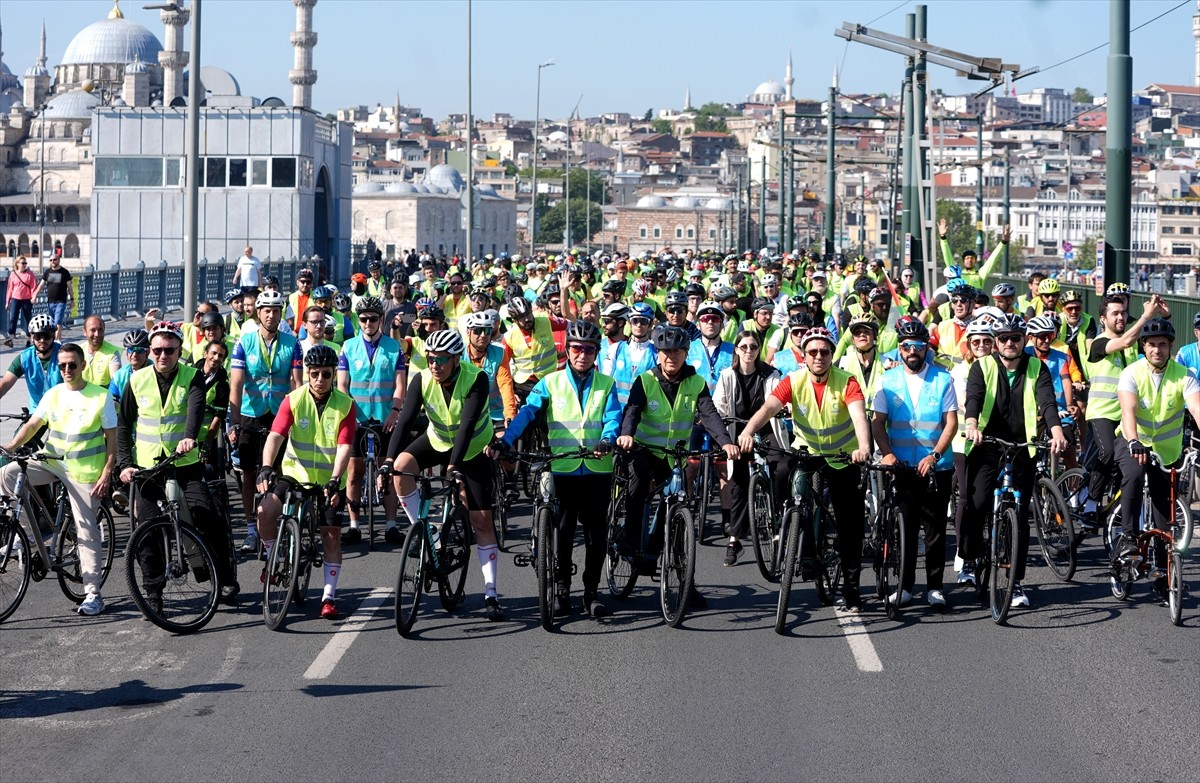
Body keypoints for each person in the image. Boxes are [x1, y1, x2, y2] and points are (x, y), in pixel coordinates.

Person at [737, 327, 872, 612]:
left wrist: (863, 447)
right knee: (790, 484)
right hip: (808, 454)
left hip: (843, 457)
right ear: (805, 356)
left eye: (824, 352)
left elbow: (859, 416)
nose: (819, 356)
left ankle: (851, 588)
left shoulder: (846, 381)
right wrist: (748, 431)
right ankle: (792, 531)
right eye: (813, 352)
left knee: (850, 526)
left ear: (832, 355)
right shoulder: (794, 380)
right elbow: (768, 408)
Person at [493, 320, 621, 617]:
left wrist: (607, 438)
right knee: (562, 532)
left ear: (596, 353)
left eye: (589, 350)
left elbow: (613, 418)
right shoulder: (550, 382)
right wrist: (507, 440)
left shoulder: (606, 384)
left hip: (596, 467)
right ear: (569, 350)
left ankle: (591, 592)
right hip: (562, 467)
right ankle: (562, 590)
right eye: (577, 348)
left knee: (596, 535)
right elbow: (527, 413)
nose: (582, 355)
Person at [383, 329, 506, 621]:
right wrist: (387, 460)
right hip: (438, 440)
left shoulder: (476, 378)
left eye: (441, 360)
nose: (434, 365)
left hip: (472, 447)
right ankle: (425, 533)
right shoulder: (422, 378)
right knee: (401, 468)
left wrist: (453, 467)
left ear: (456, 359)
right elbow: (406, 420)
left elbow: (466, 426)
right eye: (430, 359)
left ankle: (491, 592)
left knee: (481, 520)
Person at [615, 326, 739, 607]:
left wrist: (726, 442)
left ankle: (685, 583)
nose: (671, 356)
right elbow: (632, 411)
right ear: (657, 355)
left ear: (685, 353)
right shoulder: (645, 380)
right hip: (643, 450)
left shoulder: (695, 382)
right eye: (666, 351)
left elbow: (709, 414)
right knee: (639, 479)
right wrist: (627, 434)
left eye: (677, 351)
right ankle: (630, 543)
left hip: (674, 456)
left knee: (680, 506)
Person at [118, 323, 238, 606]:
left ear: (179, 350)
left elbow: (195, 409)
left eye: (169, 350)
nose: (162, 355)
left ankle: (225, 577)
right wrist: (125, 464)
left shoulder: (193, 376)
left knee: (207, 515)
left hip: (184, 462)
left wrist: (189, 437)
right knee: (145, 530)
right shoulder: (136, 380)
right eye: (157, 350)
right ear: (150, 351)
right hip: (148, 467)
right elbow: (123, 425)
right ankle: (154, 591)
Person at [0, 343, 116, 616]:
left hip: (84, 472)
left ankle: (93, 594)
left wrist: (107, 472)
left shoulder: (100, 397)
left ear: (82, 365)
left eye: (72, 365)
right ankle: (29, 533)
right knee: (7, 473)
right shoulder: (54, 394)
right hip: (52, 462)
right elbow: (33, 425)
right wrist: (11, 446)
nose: (66, 370)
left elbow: (113, 441)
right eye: (62, 365)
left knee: (87, 532)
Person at [962, 314, 1067, 608]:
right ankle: (971, 558)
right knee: (978, 502)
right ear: (996, 342)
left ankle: (1016, 582)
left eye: (1016, 338)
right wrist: (972, 425)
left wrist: (1056, 431)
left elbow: (1047, 401)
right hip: (987, 444)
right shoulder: (981, 366)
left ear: (1024, 340)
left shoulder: (1037, 367)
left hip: (1023, 447)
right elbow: (974, 398)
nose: (1010, 343)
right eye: (1004, 338)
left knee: (1020, 515)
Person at [256, 344, 355, 620]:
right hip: (294, 473)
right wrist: (266, 466)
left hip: (328, 479)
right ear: (307, 373)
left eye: (325, 374)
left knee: (331, 537)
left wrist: (336, 480)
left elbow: (345, 447)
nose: (319, 380)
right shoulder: (294, 399)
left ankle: (328, 596)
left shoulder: (345, 405)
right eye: (314, 374)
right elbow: (276, 436)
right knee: (264, 512)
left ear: (334, 374)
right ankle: (272, 556)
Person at [871, 318, 957, 608]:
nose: (912, 351)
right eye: (907, 346)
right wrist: (887, 453)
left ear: (926, 349)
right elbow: (877, 423)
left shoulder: (943, 378)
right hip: (902, 467)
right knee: (904, 529)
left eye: (918, 346)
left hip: (936, 466)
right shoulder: (888, 381)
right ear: (899, 348)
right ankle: (906, 587)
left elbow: (951, 423)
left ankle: (934, 587)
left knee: (934, 530)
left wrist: (934, 455)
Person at [1113, 318, 1200, 588]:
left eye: (1162, 345)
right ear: (1144, 346)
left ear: (1170, 346)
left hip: (1168, 449)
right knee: (1135, 476)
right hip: (1132, 441)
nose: (1157, 350)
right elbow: (1128, 411)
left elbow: (1197, 409)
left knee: (1165, 507)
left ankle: (1164, 571)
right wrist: (1133, 440)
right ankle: (1128, 538)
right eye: (1151, 345)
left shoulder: (1184, 375)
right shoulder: (1132, 372)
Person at [228, 290, 303, 553]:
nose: (271, 315)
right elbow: (236, 384)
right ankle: (251, 529)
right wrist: (233, 422)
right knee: (249, 474)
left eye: (276, 310)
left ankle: (279, 523)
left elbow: (297, 382)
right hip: (251, 413)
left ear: (282, 313)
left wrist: (297, 417)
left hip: (280, 413)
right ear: (258, 313)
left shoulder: (292, 343)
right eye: (266, 310)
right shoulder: (243, 342)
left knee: (281, 471)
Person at [1080, 295, 1164, 530]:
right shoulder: (1098, 343)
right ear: (1103, 319)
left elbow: (1155, 345)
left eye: (1124, 313)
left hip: (1128, 415)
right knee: (1106, 452)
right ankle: (1091, 503)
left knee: (1129, 464)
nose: (1121, 317)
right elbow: (1127, 341)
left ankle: (1119, 513)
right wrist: (1146, 315)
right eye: (1115, 313)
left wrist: (1162, 316)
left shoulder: (1131, 344)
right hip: (1102, 413)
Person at [712, 330, 788, 566]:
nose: (748, 351)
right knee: (739, 485)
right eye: (743, 346)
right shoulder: (728, 375)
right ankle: (735, 539)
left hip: (767, 431)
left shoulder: (770, 374)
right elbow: (719, 406)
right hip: (738, 432)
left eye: (753, 347)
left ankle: (777, 517)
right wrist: (725, 433)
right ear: (736, 349)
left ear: (759, 350)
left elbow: (777, 400)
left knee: (782, 467)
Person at [337, 296, 407, 545]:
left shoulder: (393, 347)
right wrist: (348, 412)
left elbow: (400, 385)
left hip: (384, 416)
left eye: (373, 318)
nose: (368, 323)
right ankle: (354, 524)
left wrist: (396, 411)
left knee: (387, 471)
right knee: (353, 472)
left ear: (382, 320)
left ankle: (390, 524)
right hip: (356, 418)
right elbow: (342, 385)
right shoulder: (348, 347)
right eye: (363, 318)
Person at [0, 313, 62, 408]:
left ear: (54, 335)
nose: (42, 340)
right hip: (35, 414)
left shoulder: (65, 355)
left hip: (62, 412)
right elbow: (4, 385)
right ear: (31, 337)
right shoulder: (24, 358)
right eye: (38, 336)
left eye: (47, 335)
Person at [686, 301, 734, 394]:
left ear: (722, 325)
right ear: (698, 325)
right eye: (705, 319)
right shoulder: (687, 349)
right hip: (695, 404)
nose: (710, 322)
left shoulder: (734, 350)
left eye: (715, 319)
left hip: (725, 405)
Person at [32, 254, 74, 340]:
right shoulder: (47, 272)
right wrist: (35, 296)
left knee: (58, 321)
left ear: (59, 260)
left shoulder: (64, 272)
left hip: (61, 301)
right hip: (50, 301)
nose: (53, 262)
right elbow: (41, 285)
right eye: (51, 260)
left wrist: (72, 300)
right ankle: (58, 338)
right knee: (53, 322)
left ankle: (56, 342)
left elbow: (70, 287)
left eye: (55, 260)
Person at [78, 315, 122, 389]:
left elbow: (116, 382)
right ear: (84, 332)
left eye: (100, 330)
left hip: (104, 397)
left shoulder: (113, 353)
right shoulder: (78, 351)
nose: (97, 334)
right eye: (93, 330)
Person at [109, 329, 150, 403]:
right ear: (126, 352)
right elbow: (112, 403)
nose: (134, 354)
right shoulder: (119, 376)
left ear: (148, 351)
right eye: (131, 349)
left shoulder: (157, 372)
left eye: (139, 350)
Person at [5, 255, 36, 347]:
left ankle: (29, 339)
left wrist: (34, 297)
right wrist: (7, 302)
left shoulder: (30, 274)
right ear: (17, 264)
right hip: (15, 298)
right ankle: (11, 339)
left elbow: (33, 287)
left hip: (27, 299)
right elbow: (9, 288)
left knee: (28, 319)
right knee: (12, 318)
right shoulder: (13, 274)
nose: (24, 265)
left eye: (25, 263)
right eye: (23, 263)